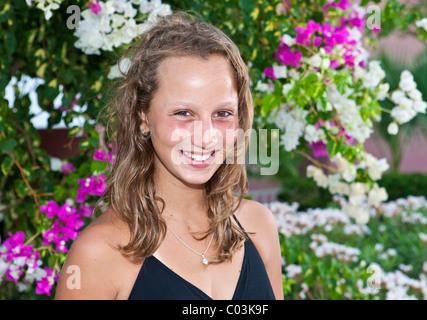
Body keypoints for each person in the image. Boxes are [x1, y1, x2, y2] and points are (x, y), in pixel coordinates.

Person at [55, 12, 283, 300]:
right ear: (143, 117)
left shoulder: (258, 226)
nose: (206, 137)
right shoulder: (98, 254)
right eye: (183, 113)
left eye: (222, 113)